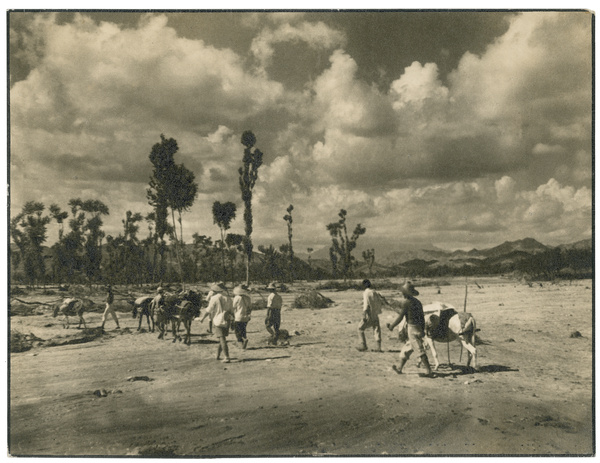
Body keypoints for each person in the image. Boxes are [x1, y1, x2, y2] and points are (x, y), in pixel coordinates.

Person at [390, 281, 433, 377]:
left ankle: (428, 370)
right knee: (408, 348)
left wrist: (392, 326)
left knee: (419, 349)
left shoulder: (406, 303)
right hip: (418, 328)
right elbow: (422, 317)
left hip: (412, 329)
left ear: (405, 293)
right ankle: (399, 368)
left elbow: (401, 317)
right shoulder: (417, 302)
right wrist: (422, 330)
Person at [205, 282, 234, 363]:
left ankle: (227, 357)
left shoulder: (214, 298)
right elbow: (232, 311)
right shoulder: (228, 298)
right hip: (226, 319)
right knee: (222, 338)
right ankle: (217, 355)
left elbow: (209, 310)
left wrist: (202, 318)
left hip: (218, 320)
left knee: (222, 339)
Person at [357, 279, 384, 352]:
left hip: (369, 313)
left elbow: (366, 304)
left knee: (360, 328)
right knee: (376, 329)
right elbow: (380, 302)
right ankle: (378, 347)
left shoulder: (366, 293)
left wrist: (364, 314)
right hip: (375, 313)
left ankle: (363, 345)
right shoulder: (375, 292)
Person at [232, 284, 252, 349]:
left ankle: (241, 342)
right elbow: (250, 308)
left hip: (238, 316)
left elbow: (233, 307)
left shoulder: (237, 298)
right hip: (246, 316)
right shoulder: (248, 298)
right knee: (243, 329)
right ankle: (244, 340)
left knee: (237, 331)